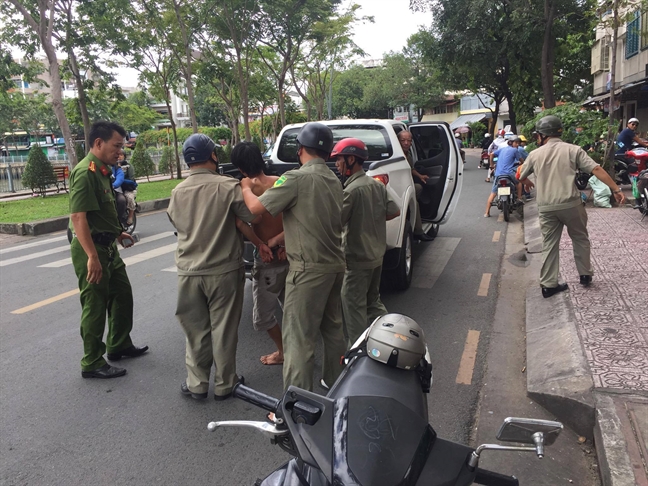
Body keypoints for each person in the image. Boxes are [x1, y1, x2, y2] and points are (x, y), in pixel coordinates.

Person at [240, 122, 347, 392]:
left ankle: (296, 405)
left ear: (300, 149)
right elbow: (310, 219)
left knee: (298, 338)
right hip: (334, 266)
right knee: (332, 329)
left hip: (308, 270)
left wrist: (244, 186)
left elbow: (254, 208)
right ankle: (336, 385)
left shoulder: (295, 178)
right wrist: (277, 240)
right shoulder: (334, 179)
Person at [167, 133, 257, 400]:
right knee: (224, 328)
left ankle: (196, 384)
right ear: (213, 156)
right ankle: (225, 383)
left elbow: (176, 224)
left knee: (195, 329)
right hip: (224, 271)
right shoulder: (228, 187)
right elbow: (249, 217)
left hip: (188, 272)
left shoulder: (176, 192)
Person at [69, 120, 148, 379]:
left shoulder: (103, 171)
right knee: (95, 304)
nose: (120, 152)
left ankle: (119, 344)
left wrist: (117, 232)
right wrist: (92, 257)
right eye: (116, 146)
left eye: (122, 147)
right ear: (98, 143)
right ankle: (91, 361)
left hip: (108, 246)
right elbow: (78, 217)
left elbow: (101, 211)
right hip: (92, 249)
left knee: (122, 295)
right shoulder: (85, 172)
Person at [519, 115, 625, 298]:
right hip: (571, 204)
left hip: (546, 207)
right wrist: (615, 189)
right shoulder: (573, 150)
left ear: (542, 135)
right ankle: (585, 275)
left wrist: (526, 180)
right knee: (580, 238)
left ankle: (548, 285)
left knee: (549, 245)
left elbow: (519, 175)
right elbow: (596, 169)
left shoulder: (534, 154)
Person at [331, 137, 401, 346]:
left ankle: (358, 351)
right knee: (373, 303)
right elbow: (394, 211)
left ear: (351, 159)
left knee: (352, 308)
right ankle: (394, 336)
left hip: (356, 260)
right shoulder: (376, 185)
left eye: (339, 160)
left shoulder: (351, 191)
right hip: (376, 256)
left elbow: (335, 222)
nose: (337, 164)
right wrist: (372, 219)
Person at [230, 141, 288, 366]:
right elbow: (292, 217)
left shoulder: (245, 189)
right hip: (286, 254)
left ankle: (283, 352)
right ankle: (295, 349)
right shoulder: (280, 182)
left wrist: (258, 244)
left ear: (241, 168)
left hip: (267, 260)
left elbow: (246, 221)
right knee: (290, 308)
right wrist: (284, 244)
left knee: (262, 316)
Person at [397, 130, 434, 241]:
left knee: (419, 187)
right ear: (397, 141)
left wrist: (420, 176)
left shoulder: (407, 154)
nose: (406, 143)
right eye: (403, 140)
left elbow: (411, 168)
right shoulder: (396, 154)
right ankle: (418, 231)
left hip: (407, 183)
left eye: (409, 140)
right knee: (415, 201)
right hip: (399, 186)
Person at [484, 136, 523, 217]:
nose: (517, 145)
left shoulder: (502, 149)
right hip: (509, 173)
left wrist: (491, 166)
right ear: (512, 143)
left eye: (518, 143)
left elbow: (491, 154)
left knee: (493, 193)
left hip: (498, 174)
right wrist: (522, 164)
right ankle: (519, 199)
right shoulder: (515, 150)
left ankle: (487, 212)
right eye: (516, 143)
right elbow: (521, 160)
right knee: (519, 184)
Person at [118, 152, 137, 226]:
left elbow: (131, 178)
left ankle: (130, 216)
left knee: (129, 198)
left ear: (124, 156)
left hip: (128, 188)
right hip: (117, 188)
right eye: (118, 155)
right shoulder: (113, 166)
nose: (119, 157)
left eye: (121, 155)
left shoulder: (129, 166)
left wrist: (121, 180)